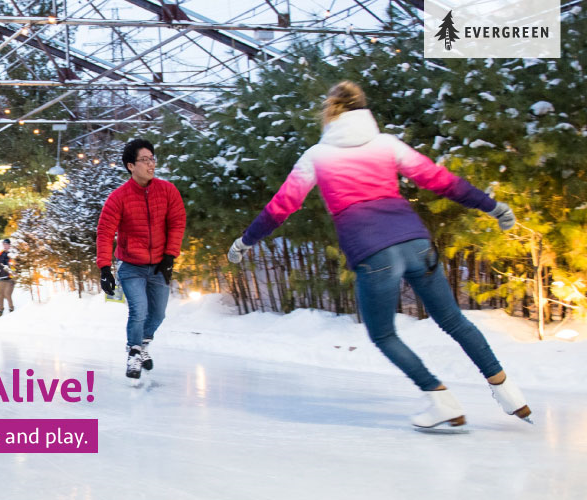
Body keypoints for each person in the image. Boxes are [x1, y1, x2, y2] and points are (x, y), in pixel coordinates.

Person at [227, 81, 530, 431]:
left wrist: (245, 241)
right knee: (454, 320)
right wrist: (491, 206)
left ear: (329, 114)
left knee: (383, 334)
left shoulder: (318, 157)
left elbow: (281, 207)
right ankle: (508, 391)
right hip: (416, 242)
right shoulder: (387, 145)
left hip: (374, 253)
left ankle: (439, 398)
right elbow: (441, 180)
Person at [96, 138, 187, 379]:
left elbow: (177, 223)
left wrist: (170, 256)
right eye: (144, 160)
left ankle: (143, 344)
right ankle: (134, 353)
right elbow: (105, 232)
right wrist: (105, 268)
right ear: (130, 166)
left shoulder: (168, 191)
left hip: (159, 264)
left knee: (158, 314)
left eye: (152, 159)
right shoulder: (119, 197)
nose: (151, 164)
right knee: (138, 311)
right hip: (131, 267)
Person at [0, 239, 15, 320]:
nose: (5, 246)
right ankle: (0, 311)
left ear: (9, 245)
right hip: (2, 278)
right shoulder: (0, 254)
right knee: (0, 295)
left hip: (10, 279)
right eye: (4, 244)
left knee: (7, 294)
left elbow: (15, 266)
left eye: (6, 244)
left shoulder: (12, 254)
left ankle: (12, 310)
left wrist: (12, 272)